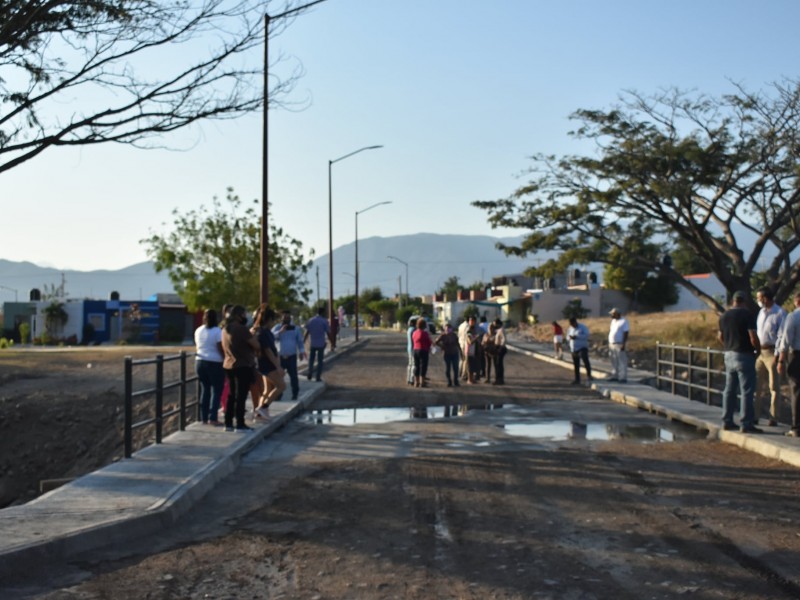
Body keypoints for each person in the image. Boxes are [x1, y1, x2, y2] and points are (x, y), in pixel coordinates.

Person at [718, 291, 761, 433]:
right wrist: (757, 350)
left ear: (733, 301)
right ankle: (746, 423)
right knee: (747, 391)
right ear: (744, 301)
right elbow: (753, 337)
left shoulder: (724, 316)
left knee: (729, 390)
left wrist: (728, 345)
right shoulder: (748, 315)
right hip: (744, 354)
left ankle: (727, 420)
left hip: (729, 354)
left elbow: (720, 336)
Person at [221, 304, 259, 432]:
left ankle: (228, 423)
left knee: (231, 395)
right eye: (243, 314)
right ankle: (240, 424)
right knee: (241, 395)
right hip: (242, 365)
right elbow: (256, 345)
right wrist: (253, 335)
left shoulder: (225, 329)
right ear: (238, 316)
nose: (245, 317)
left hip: (228, 364)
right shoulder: (241, 329)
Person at [755, 287, 786, 426]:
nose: (758, 300)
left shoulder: (779, 313)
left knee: (774, 386)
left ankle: (773, 417)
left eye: (759, 298)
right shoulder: (761, 312)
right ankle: (754, 415)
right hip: (759, 352)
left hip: (771, 352)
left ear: (765, 298)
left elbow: (781, 335)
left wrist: (778, 355)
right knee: (756, 385)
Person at [252, 305, 286, 420]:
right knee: (281, 386)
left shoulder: (264, 332)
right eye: (273, 320)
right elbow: (268, 351)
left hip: (265, 364)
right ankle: (263, 407)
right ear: (269, 319)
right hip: (267, 365)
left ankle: (259, 413)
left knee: (267, 390)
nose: (274, 322)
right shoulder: (263, 333)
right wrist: (278, 367)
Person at [194, 308, 224, 425]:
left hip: (200, 361)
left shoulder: (198, 330)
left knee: (205, 389)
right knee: (216, 390)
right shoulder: (217, 331)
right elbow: (219, 347)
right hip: (215, 362)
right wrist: (225, 359)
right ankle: (213, 417)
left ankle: (204, 417)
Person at [776, 291, 800, 437]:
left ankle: (796, 427)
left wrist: (780, 360)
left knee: (796, 391)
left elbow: (785, 341)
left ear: (797, 301)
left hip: (796, 355)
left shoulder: (793, 316)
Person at [273, 310, 306, 400]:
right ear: (281, 318)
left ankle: (295, 394)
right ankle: (278, 395)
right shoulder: (277, 327)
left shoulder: (295, 328)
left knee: (294, 376)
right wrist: (280, 331)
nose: (286, 319)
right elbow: (271, 336)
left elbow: (300, 341)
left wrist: (301, 352)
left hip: (292, 356)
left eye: (288, 317)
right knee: (279, 377)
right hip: (280, 357)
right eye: (284, 317)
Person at [304, 307, 330, 381]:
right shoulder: (324, 321)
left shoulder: (311, 320)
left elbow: (307, 331)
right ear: (323, 313)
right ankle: (318, 377)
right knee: (320, 361)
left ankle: (310, 373)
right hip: (321, 344)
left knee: (311, 359)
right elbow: (328, 332)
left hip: (313, 344)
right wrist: (331, 342)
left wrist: (303, 340)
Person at [567, 316, 592, 384]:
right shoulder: (570, 329)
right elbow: (567, 337)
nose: (572, 325)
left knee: (585, 360)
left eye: (573, 324)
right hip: (574, 349)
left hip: (582, 347)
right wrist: (570, 338)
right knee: (576, 364)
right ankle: (577, 379)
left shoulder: (582, 327)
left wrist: (577, 337)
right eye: (571, 324)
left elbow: (587, 335)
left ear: (575, 322)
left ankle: (589, 375)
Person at [608, 308, 630, 383]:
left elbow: (625, 333)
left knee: (622, 361)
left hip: (619, 343)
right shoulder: (613, 321)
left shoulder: (624, 321)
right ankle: (615, 375)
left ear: (617, 314)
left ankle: (623, 377)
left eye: (613, 314)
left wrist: (623, 344)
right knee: (614, 360)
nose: (611, 315)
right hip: (612, 343)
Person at [411, 317, 432, 387]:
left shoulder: (414, 333)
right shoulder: (424, 333)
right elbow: (429, 342)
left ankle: (416, 382)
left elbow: (413, 341)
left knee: (417, 366)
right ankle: (422, 382)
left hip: (415, 350)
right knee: (423, 366)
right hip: (423, 350)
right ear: (424, 325)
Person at [465, 318, 481, 384]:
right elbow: (470, 342)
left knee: (473, 366)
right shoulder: (469, 334)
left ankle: (472, 379)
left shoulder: (473, 334)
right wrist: (476, 338)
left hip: (473, 352)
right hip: (469, 352)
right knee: (470, 366)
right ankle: (469, 379)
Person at [493, 318, 507, 385]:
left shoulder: (501, 330)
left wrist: (500, 348)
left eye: (495, 323)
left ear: (498, 324)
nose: (494, 325)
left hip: (500, 348)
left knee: (499, 364)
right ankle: (498, 379)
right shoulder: (498, 330)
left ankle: (499, 379)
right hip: (497, 347)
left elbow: (504, 340)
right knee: (497, 364)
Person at [406, 316, 417, 385]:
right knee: (414, 364)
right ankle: (412, 379)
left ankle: (408, 378)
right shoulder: (414, 330)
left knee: (410, 364)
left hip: (409, 348)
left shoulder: (409, 329)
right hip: (414, 348)